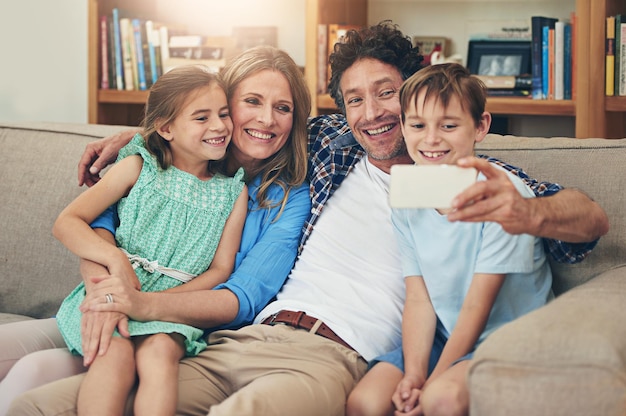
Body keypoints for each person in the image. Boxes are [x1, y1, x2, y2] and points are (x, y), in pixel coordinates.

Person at [9, 22, 608, 416]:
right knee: (45, 404)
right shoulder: (326, 145)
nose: (372, 114)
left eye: (387, 93)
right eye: (354, 99)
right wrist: (145, 139)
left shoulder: (464, 176)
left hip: (334, 356)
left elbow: (589, 219)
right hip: (237, 342)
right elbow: (226, 126)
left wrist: (528, 210)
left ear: (419, 90)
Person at [0, 45, 311, 414]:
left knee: (33, 373)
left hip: (173, 323)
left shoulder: (269, 196)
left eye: (283, 108)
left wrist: (140, 304)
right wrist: (113, 290)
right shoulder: (152, 158)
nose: (267, 119)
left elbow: (237, 293)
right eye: (252, 102)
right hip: (107, 298)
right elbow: (98, 225)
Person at [347, 63, 553, 416]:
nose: (431, 139)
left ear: (480, 127)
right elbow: (419, 297)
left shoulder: (503, 197)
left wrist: (430, 382)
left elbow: (477, 306)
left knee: (439, 399)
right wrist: (413, 374)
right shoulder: (410, 193)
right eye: (417, 125)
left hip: (508, 339)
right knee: (366, 402)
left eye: (449, 125)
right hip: (445, 335)